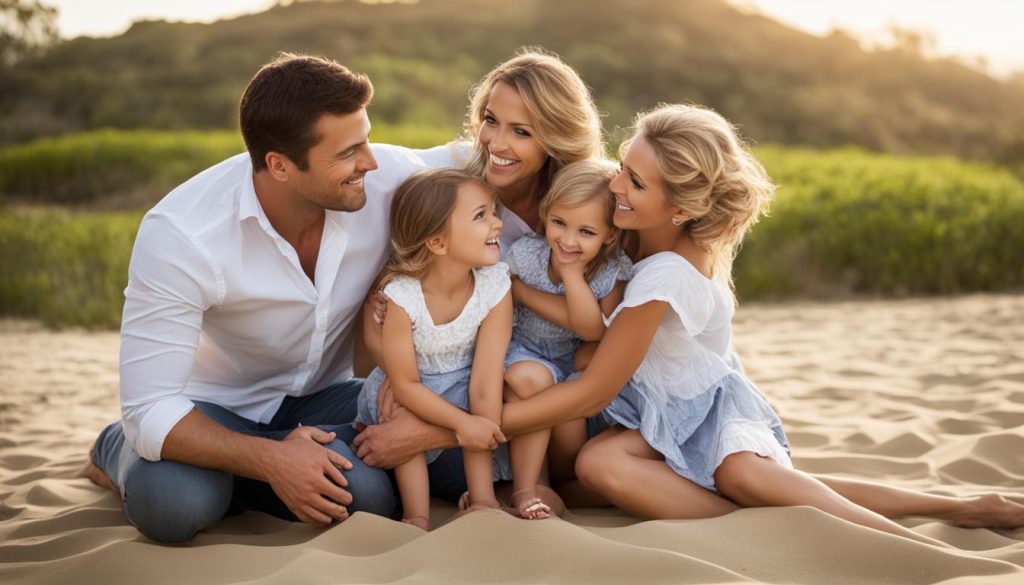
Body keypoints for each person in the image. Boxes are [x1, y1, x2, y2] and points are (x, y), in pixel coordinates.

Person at [495, 104, 1024, 541]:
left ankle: (869, 539)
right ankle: (957, 505)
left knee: (715, 476)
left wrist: (478, 425)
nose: (616, 187)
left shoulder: (665, 274)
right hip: (655, 410)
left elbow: (594, 389)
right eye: (621, 167)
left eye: (635, 182)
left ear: (679, 208)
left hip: (703, 410)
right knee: (624, 469)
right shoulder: (645, 233)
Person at [81, 53, 430, 543]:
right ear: (280, 166)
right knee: (171, 506)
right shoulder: (182, 234)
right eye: (350, 151)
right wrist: (273, 458)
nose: (370, 161)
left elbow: (485, 164)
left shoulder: (386, 179)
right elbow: (151, 406)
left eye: (367, 138)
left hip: (322, 400)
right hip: (212, 406)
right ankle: (114, 447)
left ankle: (252, 477)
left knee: (365, 498)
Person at [355, 48, 604, 507]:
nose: (496, 143)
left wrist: (431, 432)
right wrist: (399, 380)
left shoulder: (586, 210)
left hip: (549, 396)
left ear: (556, 139)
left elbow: (603, 346)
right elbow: (385, 315)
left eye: (522, 132)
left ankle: (530, 484)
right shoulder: (462, 198)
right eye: (491, 120)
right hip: (473, 388)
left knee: (533, 385)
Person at [355, 169, 512, 530]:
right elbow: (406, 383)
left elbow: (486, 380)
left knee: (481, 406)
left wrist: (474, 424)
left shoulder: (495, 286)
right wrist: (461, 425)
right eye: (481, 216)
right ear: (438, 243)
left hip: (465, 384)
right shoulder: (403, 296)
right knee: (401, 415)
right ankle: (417, 516)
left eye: (493, 211)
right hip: (407, 387)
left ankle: (483, 500)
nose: (497, 224)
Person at [500, 159, 631, 519]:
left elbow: (592, 330)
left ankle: (551, 486)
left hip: (573, 360)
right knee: (531, 380)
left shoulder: (611, 270)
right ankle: (526, 487)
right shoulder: (527, 254)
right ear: (546, 216)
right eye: (559, 223)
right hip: (524, 349)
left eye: (586, 232)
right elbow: (495, 300)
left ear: (610, 234)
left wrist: (569, 275)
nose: (568, 240)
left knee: (569, 421)